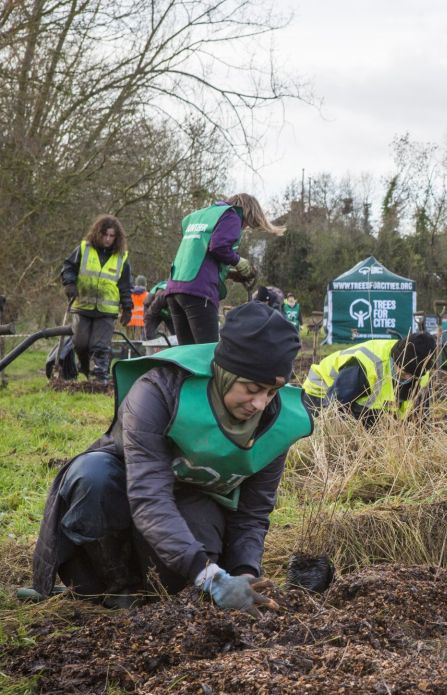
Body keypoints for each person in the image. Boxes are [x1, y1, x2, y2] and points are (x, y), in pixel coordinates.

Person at [27, 302, 313, 611]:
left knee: (179, 588)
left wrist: (244, 575)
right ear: (225, 372)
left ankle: (155, 589)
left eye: (271, 392)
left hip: (196, 504)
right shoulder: (159, 391)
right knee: (92, 476)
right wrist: (210, 576)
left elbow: (252, 513)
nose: (260, 403)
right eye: (252, 388)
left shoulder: (275, 423)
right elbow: (148, 496)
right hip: (127, 489)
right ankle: (115, 586)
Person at [165, 194, 283, 345]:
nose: (244, 228)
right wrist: (238, 261)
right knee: (207, 352)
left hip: (174, 290)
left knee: (186, 355)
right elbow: (218, 247)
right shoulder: (232, 215)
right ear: (248, 214)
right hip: (199, 292)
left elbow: (200, 257)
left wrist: (232, 275)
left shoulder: (201, 215)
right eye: (246, 225)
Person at [303, 334, 436, 427]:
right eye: (405, 373)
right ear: (396, 360)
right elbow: (333, 408)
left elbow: (421, 418)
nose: (408, 378)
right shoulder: (366, 366)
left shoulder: (420, 375)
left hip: (364, 404)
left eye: (413, 375)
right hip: (321, 393)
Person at [60, 214, 134, 383]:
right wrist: (69, 284)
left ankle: (100, 379)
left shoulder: (122, 257)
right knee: (80, 344)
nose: (108, 239)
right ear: (98, 233)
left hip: (107, 311)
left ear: (117, 238)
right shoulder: (84, 248)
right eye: (105, 235)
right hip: (83, 305)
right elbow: (68, 267)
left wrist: (127, 307)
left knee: (99, 346)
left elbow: (125, 284)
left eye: (111, 236)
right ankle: (86, 370)